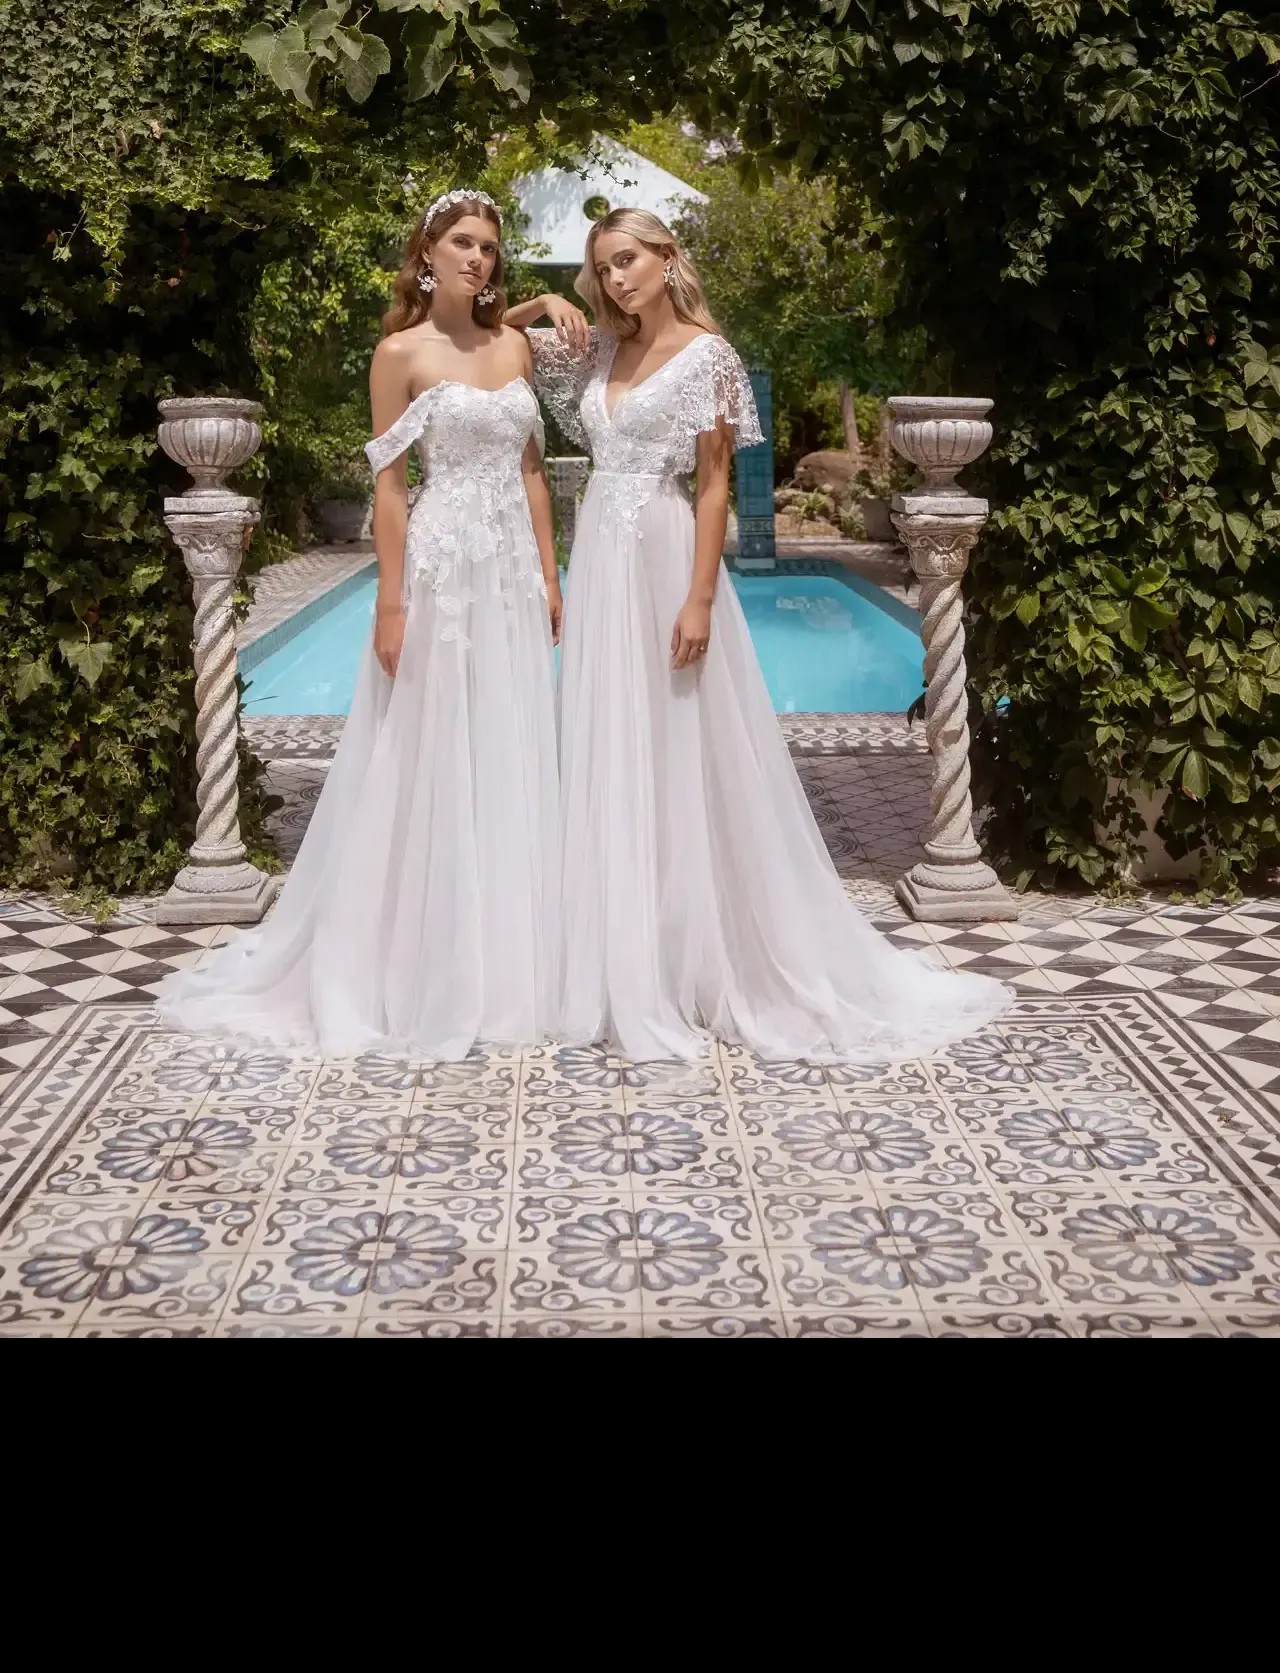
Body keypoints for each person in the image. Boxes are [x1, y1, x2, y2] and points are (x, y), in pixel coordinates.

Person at [506, 207, 1013, 1062]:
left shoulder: (710, 356)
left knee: (682, 746)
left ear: (667, 259)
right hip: (600, 556)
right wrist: (541, 305)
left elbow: (712, 489)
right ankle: (620, 955)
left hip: (668, 558)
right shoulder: (600, 351)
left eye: (628, 260)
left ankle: (701, 957)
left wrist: (700, 597)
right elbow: (500, 335)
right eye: (603, 268)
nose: (616, 279)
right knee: (609, 744)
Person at [157, 189, 562, 1058]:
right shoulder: (396, 354)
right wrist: (390, 599)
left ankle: (515, 952)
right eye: (461, 242)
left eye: (489, 247)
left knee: (512, 740)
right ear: (427, 253)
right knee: (431, 747)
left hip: (512, 579)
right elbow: (388, 486)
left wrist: (550, 571)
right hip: (444, 569)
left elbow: (532, 472)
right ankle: (422, 954)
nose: (477, 259)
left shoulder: (516, 347)